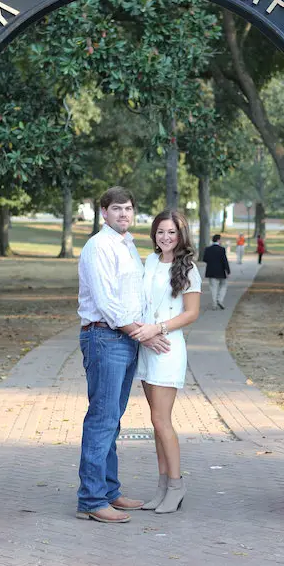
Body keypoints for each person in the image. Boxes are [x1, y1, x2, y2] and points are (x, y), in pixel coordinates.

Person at [76, 186, 170, 524]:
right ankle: (90, 499)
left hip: (126, 338)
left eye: (129, 208)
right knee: (101, 418)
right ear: (103, 212)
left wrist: (144, 330)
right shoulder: (98, 247)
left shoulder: (127, 246)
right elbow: (106, 301)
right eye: (117, 209)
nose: (124, 214)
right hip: (105, 336)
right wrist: (138, 332)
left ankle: (109, 490)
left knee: (112, 419)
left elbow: (134, 297)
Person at [132, 210, 201, 513]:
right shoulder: (148, 261)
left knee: (162, 421)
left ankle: (177, 485)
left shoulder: (189, 268)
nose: (165, 237)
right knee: (155, 422)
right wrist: (143, 332)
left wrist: (159, 329)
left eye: (171, 232)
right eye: (161, 232)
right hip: (147, 346)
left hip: (167, 348)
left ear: (181, 235)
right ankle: (162, 487)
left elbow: (191, 313)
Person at [202, 233, 230, 310]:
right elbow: (225, 261)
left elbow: (205, 259)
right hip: (221, 271)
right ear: (218, 240)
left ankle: (214, 303)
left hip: (211, 271)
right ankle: (220, 299)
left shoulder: (208, 249)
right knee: (223, 285)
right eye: (220, 239)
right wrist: (228, 270)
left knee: (213, 287)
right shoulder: (222, 249)